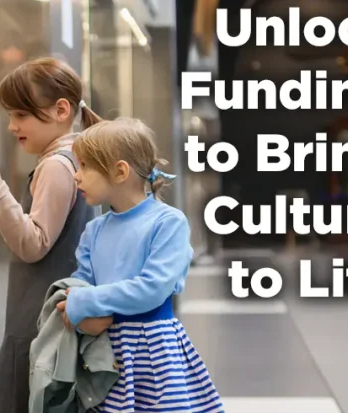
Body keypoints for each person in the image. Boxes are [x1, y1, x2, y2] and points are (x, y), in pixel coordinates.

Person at [58, 117, 225, 413]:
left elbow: (152, 289)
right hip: (103, 357)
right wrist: (80, 311)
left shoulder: (168, 223)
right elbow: (79, 285)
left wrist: (86, 302)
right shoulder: (93, 231)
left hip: (154, 355)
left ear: (120, 171)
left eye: (84, 166)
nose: (76, 175)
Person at [0, 57, 103, 413]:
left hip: (38, 316)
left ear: (61, 110)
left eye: (21, 115)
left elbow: (34, 243)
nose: (12, 126)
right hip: (56, 313)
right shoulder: (78, 158)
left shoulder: (58, 165)